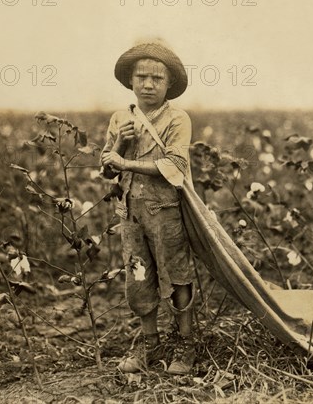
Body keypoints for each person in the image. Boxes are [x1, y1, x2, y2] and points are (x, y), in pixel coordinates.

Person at [100, 41, 195, 375]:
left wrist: (125, 160)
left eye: (157, 78)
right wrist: (120, 143)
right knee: (138, 277)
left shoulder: (177, 119)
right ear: (131, 80)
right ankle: (149, 344)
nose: (148, 84)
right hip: (131, 214)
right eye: (142, 76)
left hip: (165, 212)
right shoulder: (120, 118)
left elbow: (174, 166)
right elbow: (107, 167)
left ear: (169, 84)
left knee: (177, 276)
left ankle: (185, 345)